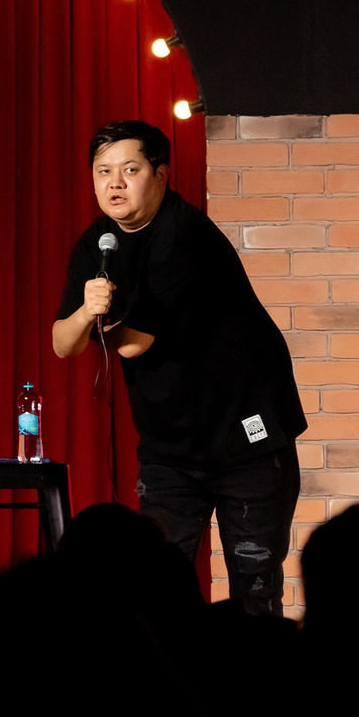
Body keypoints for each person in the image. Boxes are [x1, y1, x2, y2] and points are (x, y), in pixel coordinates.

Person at [51, 121, 304, 617]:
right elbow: (63, 343)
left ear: (161, 175)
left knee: (254, 598)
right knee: (152, 595)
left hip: (246, 438)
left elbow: (134, 344)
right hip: (171, 447)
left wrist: (96, 326)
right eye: (103, 172)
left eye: (130, 170)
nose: (114, 184)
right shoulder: (98, 243)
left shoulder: (185, 235)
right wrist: (84, 313)